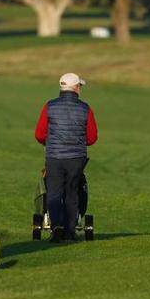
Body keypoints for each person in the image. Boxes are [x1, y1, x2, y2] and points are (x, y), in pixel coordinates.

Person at [35, 73, 98, 242]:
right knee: (72, 192)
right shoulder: (86, 108)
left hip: (54, 157)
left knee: (54, 193)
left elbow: (39, 134)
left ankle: (56, 228)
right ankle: (70, 232)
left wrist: (48, 142)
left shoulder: (49, 106)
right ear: (76, 87)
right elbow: (92, 138)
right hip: (76, 158)